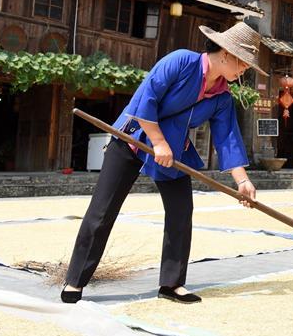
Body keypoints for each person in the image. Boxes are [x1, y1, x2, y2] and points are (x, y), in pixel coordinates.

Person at [61, 21, 267, 304]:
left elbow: (227, 138)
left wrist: (242, 180)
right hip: (133, 140)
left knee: (181, 212)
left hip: (173, 152)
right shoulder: (180, 61)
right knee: (102, 211)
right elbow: (146, 99)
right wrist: (157, 142)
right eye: (244, 62)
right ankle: (75, 281)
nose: (245, 70)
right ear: (226, 53)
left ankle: (171, 284)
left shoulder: (222, 97)